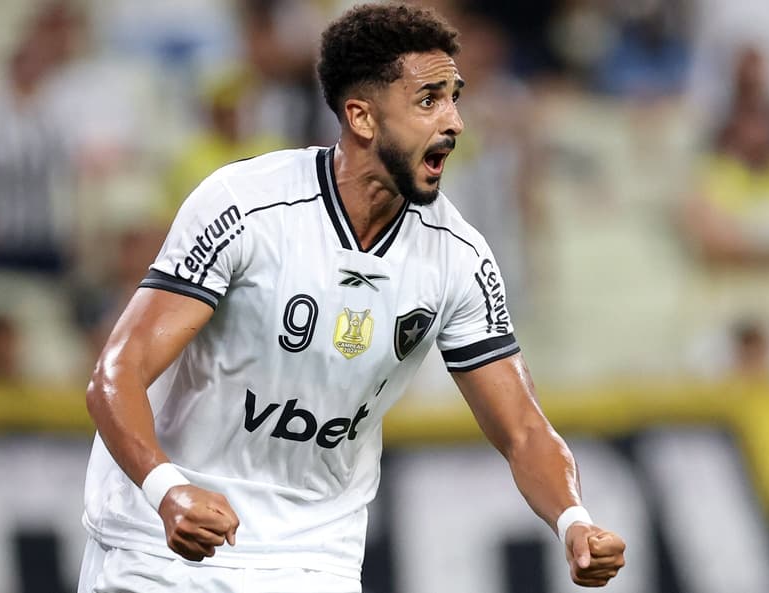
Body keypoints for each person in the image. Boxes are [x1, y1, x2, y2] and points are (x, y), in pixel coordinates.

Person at [78, 4, 626, 592]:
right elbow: (118, 371)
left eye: (455, 97)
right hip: (165, 543)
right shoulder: (245, 207)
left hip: (314, 557)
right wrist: (166, 489)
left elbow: (522, 427)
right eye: (428, 100)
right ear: (361, 117)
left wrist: (573, 520)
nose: (455, 122)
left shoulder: (458, 257)